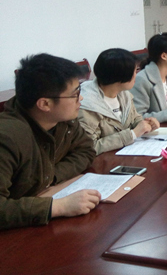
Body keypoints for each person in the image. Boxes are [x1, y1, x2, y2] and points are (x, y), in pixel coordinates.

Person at [0, 54, 99, 230]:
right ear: (45, 104)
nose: (81, 99)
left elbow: (86, 150)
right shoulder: (7, 137)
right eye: (75, 94)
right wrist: (58, 206)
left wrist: (51, 176)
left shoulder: (63, 120)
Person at [78, 49, 159, 155]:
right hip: (104, 162)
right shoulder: (86, 105)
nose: (137, 74)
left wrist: (145, 124)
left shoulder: (124, 94)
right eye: (135, 71)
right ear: (121, 76)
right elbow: (89, 147)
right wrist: (132, 134)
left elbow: (134, 118)